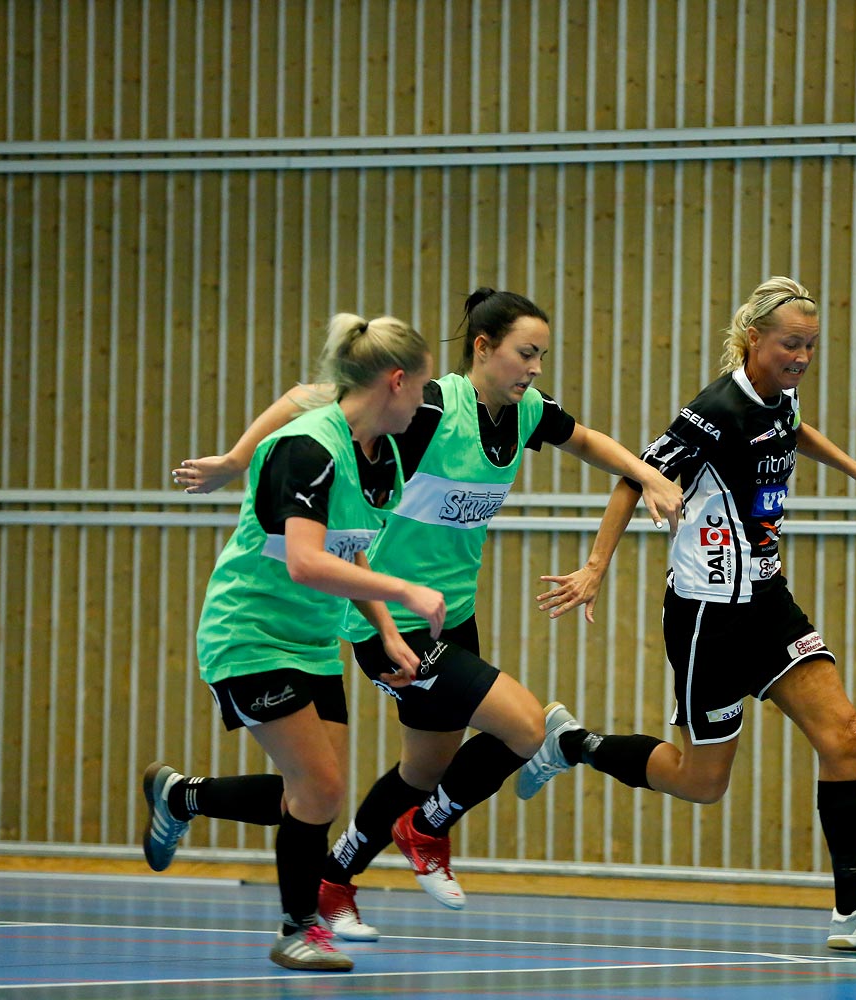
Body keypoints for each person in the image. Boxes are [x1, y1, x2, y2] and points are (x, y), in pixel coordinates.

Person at [172, 288, 684, 941]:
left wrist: (650, 475)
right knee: (527, 730)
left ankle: (336, 882)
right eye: (524, 353)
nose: (534, 368)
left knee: (421, 770)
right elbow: (311, 395)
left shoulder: (526, 414)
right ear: (482, 347)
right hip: (383, 616)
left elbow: (587, 441)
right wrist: (238, 459)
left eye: (543, 357)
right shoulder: (431, 403)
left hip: (451, 614)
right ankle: (425, 830)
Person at [518, 276, 856, 952]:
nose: (801, 356)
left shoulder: (779, 395)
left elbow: (793, 428)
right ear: (753, 338)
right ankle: (570, 744)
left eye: (812, 346)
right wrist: (595, 567)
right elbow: (633, 476)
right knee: (701, 783)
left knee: (843, 733)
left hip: (768, 601)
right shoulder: (713, 411)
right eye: (790, 343)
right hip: (708, 617)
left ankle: (851, 912)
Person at [142, 314, 445, 972]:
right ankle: (297, 927)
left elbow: (351, 553)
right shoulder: (307, 447)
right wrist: (408, 595)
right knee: (321, 787)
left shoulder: (382, 457)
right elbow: (307, 561)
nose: (422, 404)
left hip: (310, 640)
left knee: (316, 795)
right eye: (420, 390)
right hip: (249, 632)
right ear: (395, 382)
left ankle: (179, 797)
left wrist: (388, 632)